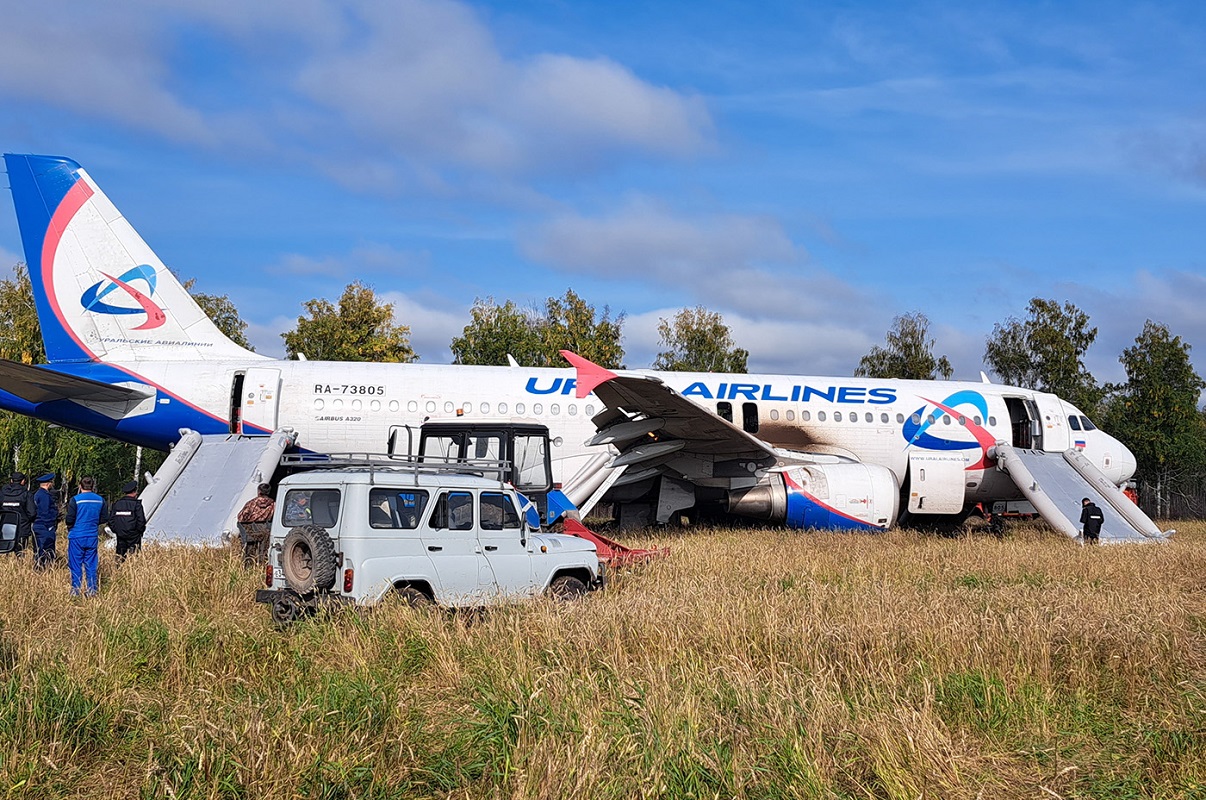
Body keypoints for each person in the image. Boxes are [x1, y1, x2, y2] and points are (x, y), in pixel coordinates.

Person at [65, 477, 109, 596]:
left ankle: (76, 590)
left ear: (80, 486)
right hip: (92, 535)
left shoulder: (75, 500)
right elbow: (105, 518)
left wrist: (70, 525)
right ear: (93, 486)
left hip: (76, 535)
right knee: (91, 564)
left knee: (76, 564)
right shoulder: (100, 500)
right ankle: (92, 590)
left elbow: (69, 519)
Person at [236, 483, 275, 565]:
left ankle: (248, 569)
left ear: (259, 492)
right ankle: (261, 567)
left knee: (248, 554)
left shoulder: (251, 503)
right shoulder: (273, 504)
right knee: (264, 553)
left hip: (250, 530)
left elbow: (240, 517)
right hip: (265, 531)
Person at [108, 480, 147, 561]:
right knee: (134, 558)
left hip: (120, 535)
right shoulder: (137, 505)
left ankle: (118, 571)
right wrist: (139, 532)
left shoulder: (117, 504)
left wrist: (117, 531)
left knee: (120, 557)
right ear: (135, 491)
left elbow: (111, 520)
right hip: (134, 536)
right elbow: (141, 521)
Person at [1, 472, 36, 554]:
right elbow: (32, 513)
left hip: (6, 527)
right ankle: (19, 566)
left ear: (11, 481)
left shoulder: (2, 494)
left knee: (6, 552)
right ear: (23, 481)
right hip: (22, 528)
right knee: (20, 553)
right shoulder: (26, 494)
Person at [31, 473, 60, 569]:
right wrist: (52, 523)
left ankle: (40, 567)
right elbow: (45, 512)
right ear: (48, 483)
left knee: (39, 548)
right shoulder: (44, 496)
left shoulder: (38, 494)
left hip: (39, 525)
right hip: (45, 526)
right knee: (46, 548)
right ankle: (43, 568)